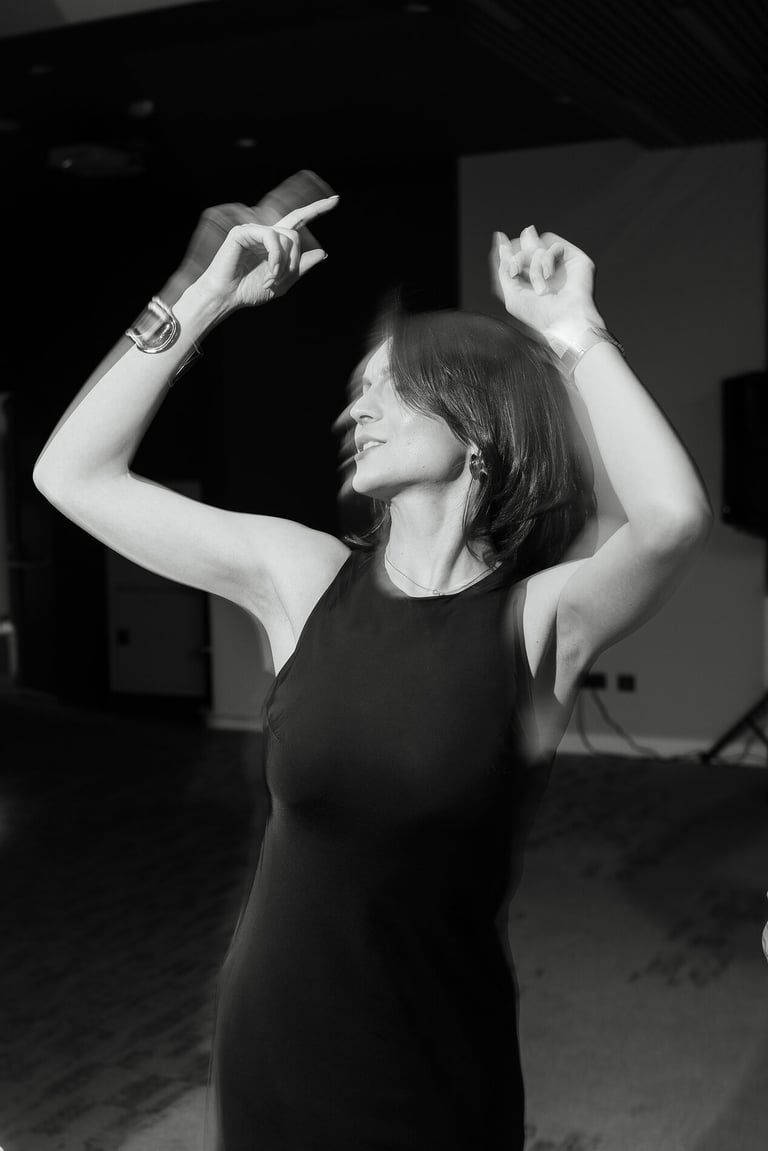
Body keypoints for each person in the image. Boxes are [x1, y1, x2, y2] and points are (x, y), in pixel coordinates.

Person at [33, 174, 712, 1151]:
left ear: (477, 426)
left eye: (393, 385)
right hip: (275, 1042)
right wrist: (204, 295)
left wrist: (573, 328)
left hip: (435, 1061)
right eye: (358, 390)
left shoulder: (538, 621)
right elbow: (70, 474)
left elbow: (672, 519)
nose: (361, 407)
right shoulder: (303, 578)